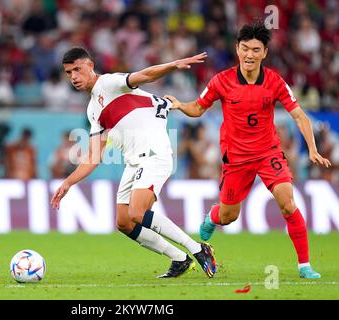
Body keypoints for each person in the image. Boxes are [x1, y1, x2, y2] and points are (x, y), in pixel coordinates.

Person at [165, 21, 331, 279]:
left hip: (268, 153)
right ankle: (212, 217)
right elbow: (198, 108)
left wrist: (312, 148)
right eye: (245, 48)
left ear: (264, 52)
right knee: (229, 215)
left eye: (255, 49)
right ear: (237, 49)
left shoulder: (275, 81)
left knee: (287, 203)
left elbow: (299, 115)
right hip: (236, 158)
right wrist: (179, 105)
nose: (249, 55)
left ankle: (304, 265)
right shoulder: (222, 80)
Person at [51, 47, 217, 279]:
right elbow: (94, 156)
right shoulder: (92, 110)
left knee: (138, 212)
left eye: (77, 69)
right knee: (124, 222)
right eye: (69, 73)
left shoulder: (109, 83)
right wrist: (68, 183)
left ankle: (198, 249)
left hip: (154, 154)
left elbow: (143, 76)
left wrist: (172, 64)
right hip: (135, 162)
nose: (74, 77)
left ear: (90, 66)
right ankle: (179, 259)